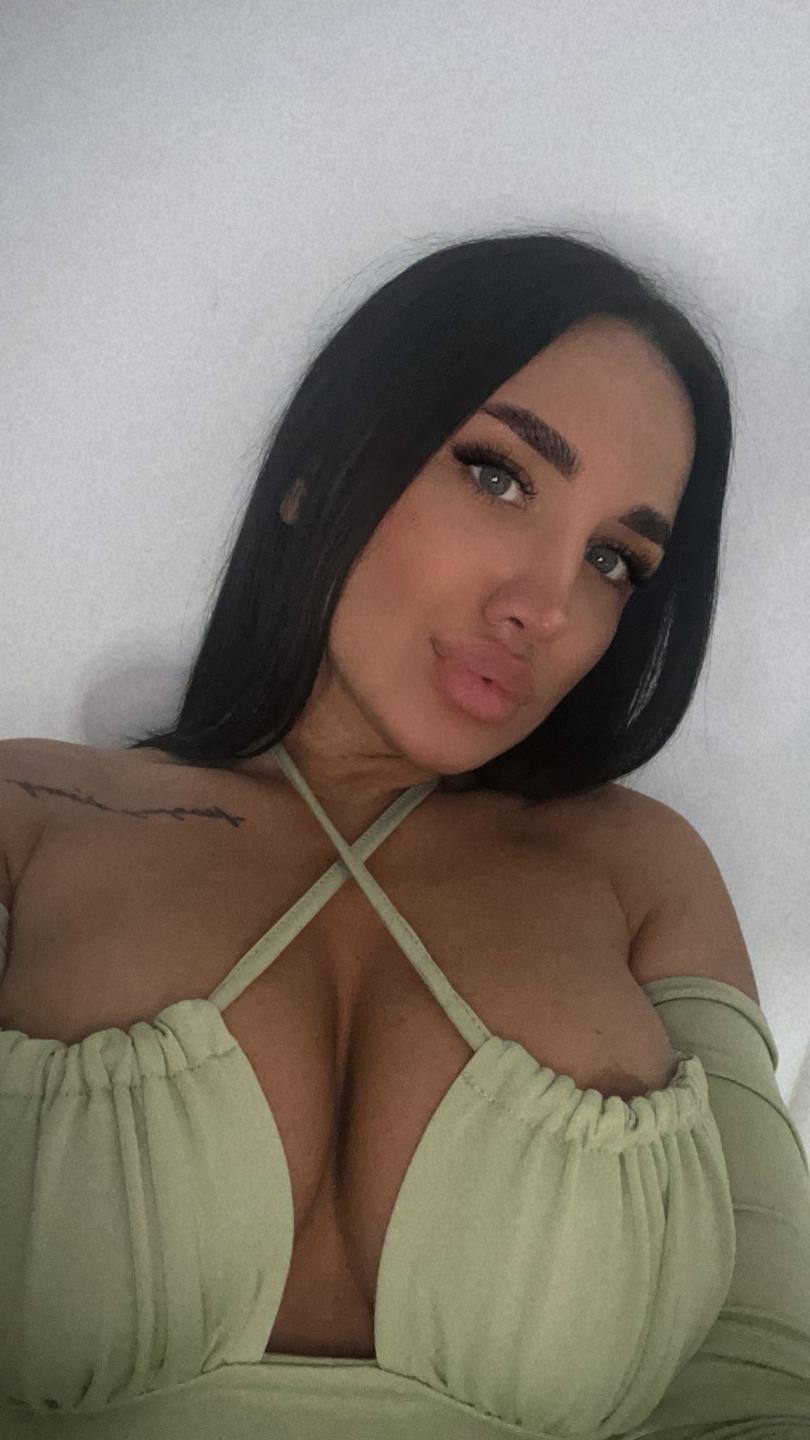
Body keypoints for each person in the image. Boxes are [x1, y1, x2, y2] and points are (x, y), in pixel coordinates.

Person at [1, 230, 808, 1437]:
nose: (546, 605)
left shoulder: (643, 871)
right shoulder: (30, 818)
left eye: (613, 558)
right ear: (313, 470)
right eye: (498, 475)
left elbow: (764, 1381)